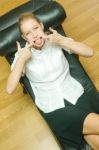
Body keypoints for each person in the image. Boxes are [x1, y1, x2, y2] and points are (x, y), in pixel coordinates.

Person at [6, 13, 99, 149]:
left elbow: (89, 52)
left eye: (36, 28)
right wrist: (21, 59)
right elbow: (9, 89)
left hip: (77, 95)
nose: (34, 35)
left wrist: (63, 41)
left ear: (42, 26)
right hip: (54, 108)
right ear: (24, 37)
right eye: (28, 33)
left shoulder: (56, 40)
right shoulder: (22, 55)